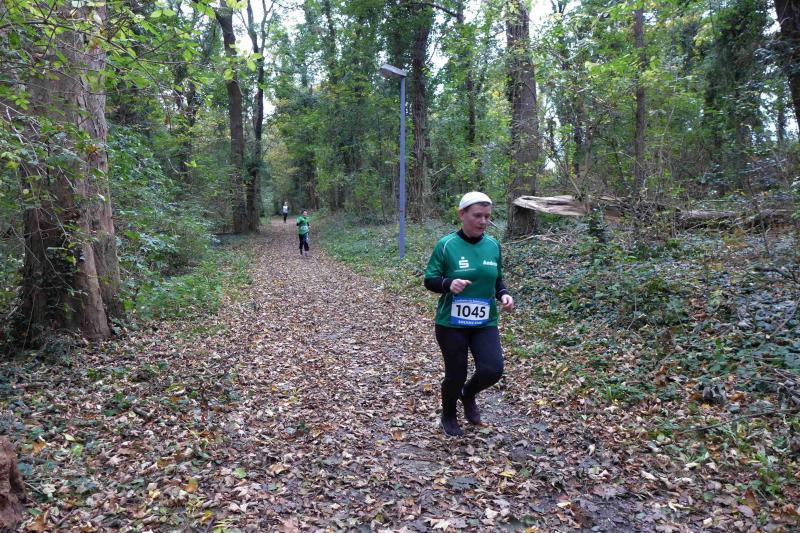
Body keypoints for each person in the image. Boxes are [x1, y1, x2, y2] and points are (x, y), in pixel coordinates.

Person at [423, 191, 514, 437]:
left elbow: (497, 279)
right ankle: (449, 413)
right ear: (462, 214)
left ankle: (468, 393)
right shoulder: (446, 245)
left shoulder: (493, 245)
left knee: (493, 369)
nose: (483, 221)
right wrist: (448, 284)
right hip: (451, 323)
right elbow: (430, 280)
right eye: (477, 215)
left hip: (484, 321)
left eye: (487, 216)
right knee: (456, 373)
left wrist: (504, 294)